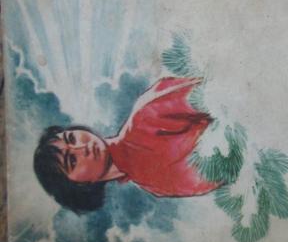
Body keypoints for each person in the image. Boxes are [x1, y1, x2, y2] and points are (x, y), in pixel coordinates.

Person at [34, 77, 221, 214]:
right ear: (81, 185)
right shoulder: (153, 186)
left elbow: (221, 89)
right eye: (72, 161)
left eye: (72, 138)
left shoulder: (146, 116)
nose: (82, 148)